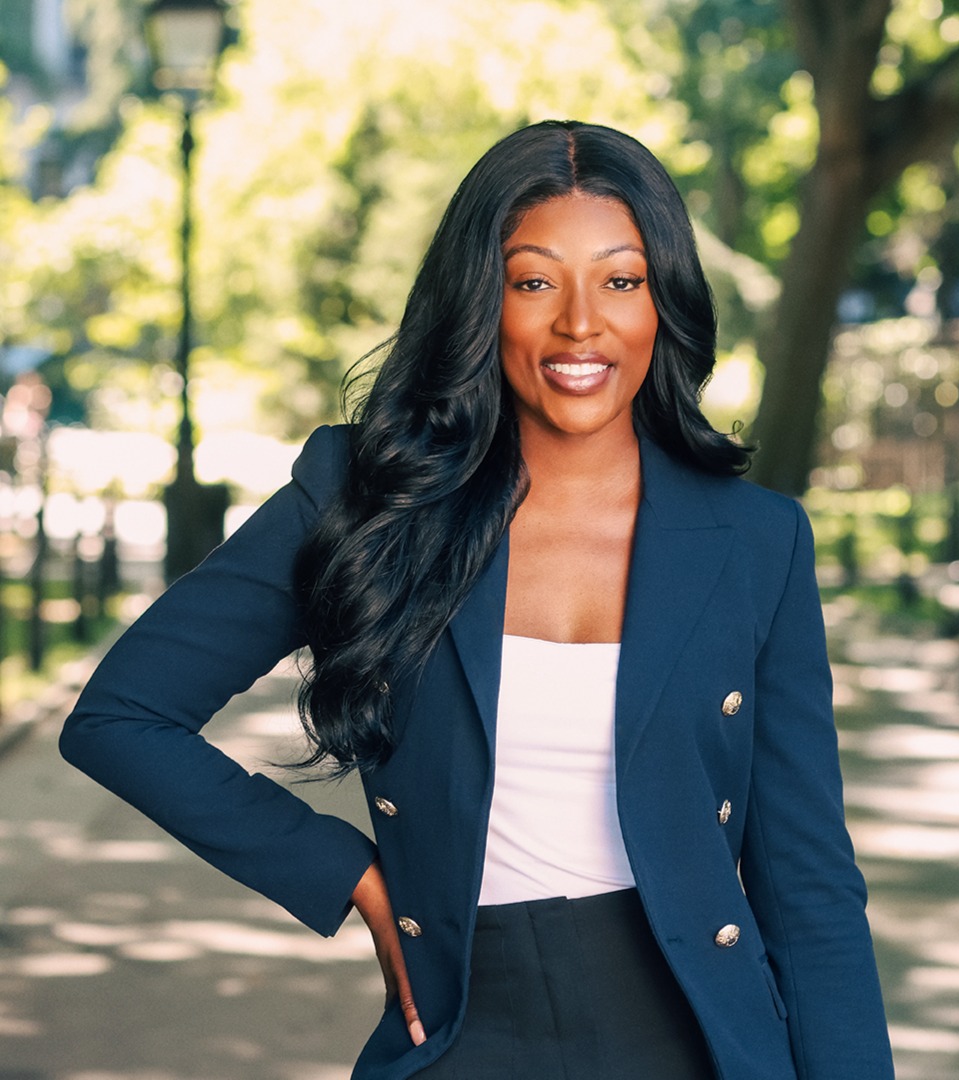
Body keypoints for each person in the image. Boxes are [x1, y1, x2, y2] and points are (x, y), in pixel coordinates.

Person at [60, 120, 894, 1080]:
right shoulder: (364, 497)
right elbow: (123, 716)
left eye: (621, 280)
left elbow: (809, 885)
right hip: (462, 1036)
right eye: (534, 281)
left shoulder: (757, 541)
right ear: (479, 300)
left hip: (706, 1040)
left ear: (663, 300)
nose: (581, 323)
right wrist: (351, 877)